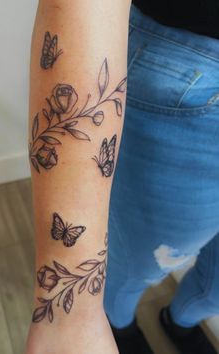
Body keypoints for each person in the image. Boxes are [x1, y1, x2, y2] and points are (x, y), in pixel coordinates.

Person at [25, 1, 219, 354]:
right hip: (195, 74)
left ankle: (181, 321)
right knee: (138, 265)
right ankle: (120, 325)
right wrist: (71, 315)